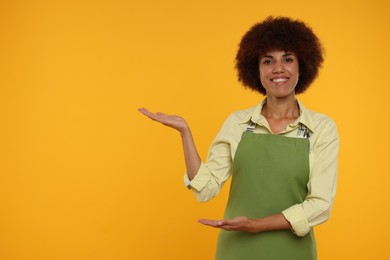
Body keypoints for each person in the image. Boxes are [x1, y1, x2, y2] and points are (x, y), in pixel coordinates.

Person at [139, 16, 339, 260]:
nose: (278, 68)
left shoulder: (321, 129)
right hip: (237, 250)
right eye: (268, 61)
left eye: (288, 59)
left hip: (293, 252)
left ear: (302, 65)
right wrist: (185, 133)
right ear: (255, 69)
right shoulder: (238, 123)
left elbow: (320, 205)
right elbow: (206, 188)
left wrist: (256, 225)